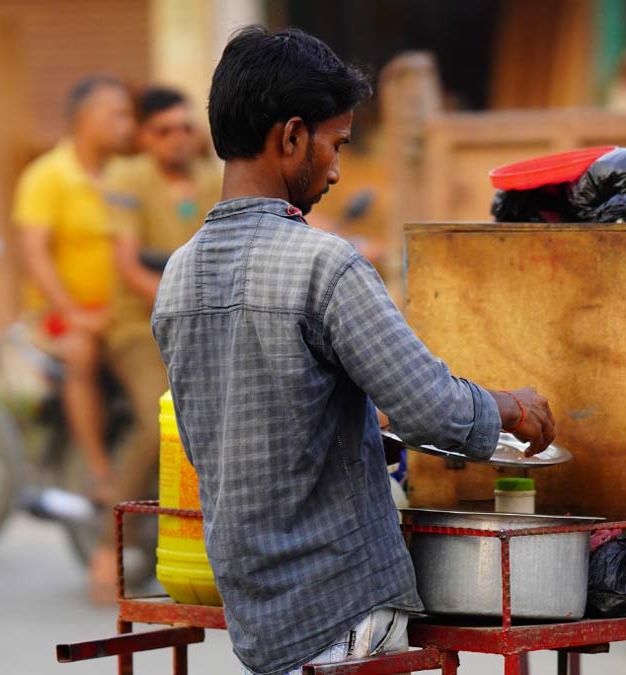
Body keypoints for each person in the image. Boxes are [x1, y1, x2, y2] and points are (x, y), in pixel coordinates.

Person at [152, 27, 556, 675]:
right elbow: (432, 408)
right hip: (343, 604)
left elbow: (221, 440)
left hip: (255, 611)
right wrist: (510, 407)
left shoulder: (178, 276)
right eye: (334, 144)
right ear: (289, 137)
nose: (338, 169)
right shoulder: (323, 265)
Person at [91, 87, 222, 597]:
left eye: (185, 128)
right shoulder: (127, 180)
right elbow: (127, 269)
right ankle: (109, 547)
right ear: (145, 136)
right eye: (164, 130)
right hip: (136, 328)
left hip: (203, 327)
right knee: (159, 420)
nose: (177, 139)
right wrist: (185, 303)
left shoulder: (214, 180)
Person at [13, 76, 133, 511]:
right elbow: (34, 255)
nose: (126, 123)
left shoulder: (125, 174)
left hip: (120, 310)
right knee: (82, 351)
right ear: (85, 119)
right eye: (115, 114)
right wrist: (73, 312)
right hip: (61, 312)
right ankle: (100, 472)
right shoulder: (47, 175)